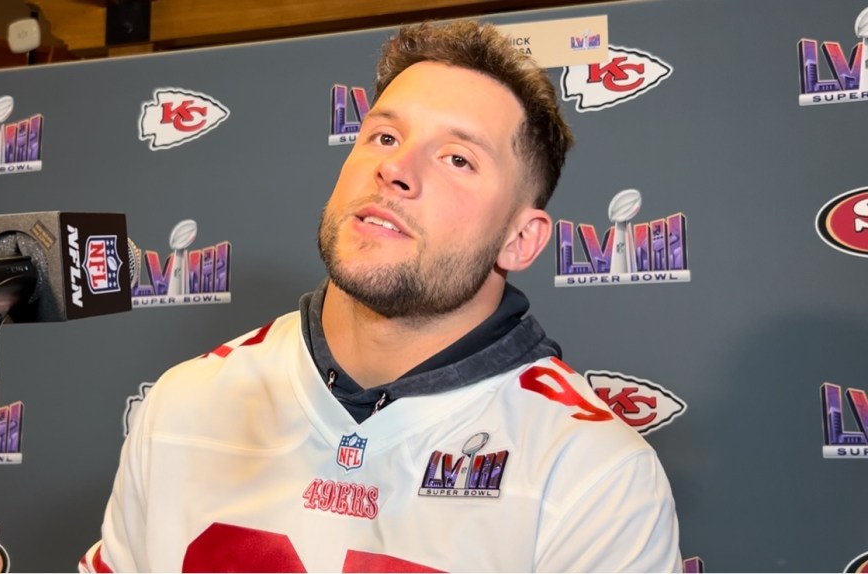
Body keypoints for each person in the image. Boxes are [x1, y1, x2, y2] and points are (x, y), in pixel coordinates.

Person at [81, 19, 681, 572]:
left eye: (457, 158)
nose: (396, 170)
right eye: (385, 135)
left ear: (520, 240)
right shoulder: (185, 403)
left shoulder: (594, 476)